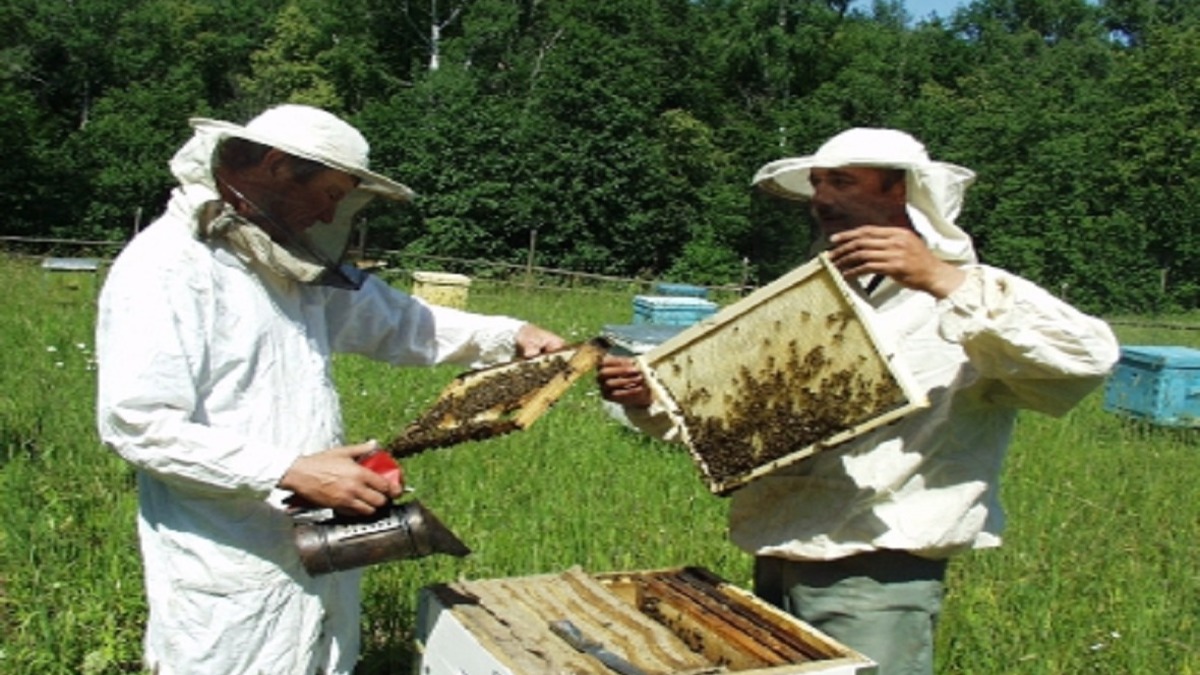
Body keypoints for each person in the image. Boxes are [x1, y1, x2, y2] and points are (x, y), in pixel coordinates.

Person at [597, 128, 1119, 675]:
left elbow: (1087, 358)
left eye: (842, 182)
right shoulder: (812, 296)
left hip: (877, 567)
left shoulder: (971, 292)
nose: (822, 198)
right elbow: (732, 415)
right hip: (779, 549)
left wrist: (942, 279)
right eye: (818, 183)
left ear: (904, 192)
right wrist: (650, 399)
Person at [95, 104, 565, 675]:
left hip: (320, 536)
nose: (332, 211)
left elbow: (404, 322)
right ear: (274, 167)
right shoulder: (168, 266)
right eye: (331, 191)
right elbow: (138, 425)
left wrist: (511, 335)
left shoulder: (287, 265)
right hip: (229, 552)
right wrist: (291, 470)